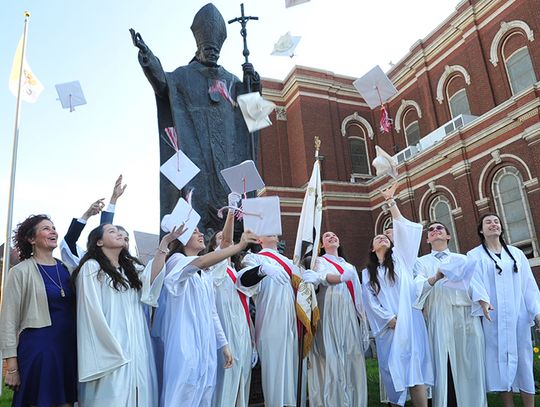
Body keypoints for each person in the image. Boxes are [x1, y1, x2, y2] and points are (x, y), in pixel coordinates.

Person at [130, 3, 261, 233]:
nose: (212, 55)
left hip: (229, 155)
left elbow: (254, 118)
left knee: (233, 202)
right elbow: (162, 83)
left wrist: (254, 85)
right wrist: (147, 56)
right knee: (196, 198)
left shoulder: (232, 80)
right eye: (208, 50)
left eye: (216, 52)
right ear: (198, 49)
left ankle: (237, 248)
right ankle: (195, 247)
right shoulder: (183, 76)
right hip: (195, 150)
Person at [72, 223, 182, 406]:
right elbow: (91, 310)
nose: (119, 234)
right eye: (112, 231)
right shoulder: (92, 267)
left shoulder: (130, 268)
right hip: (111, 345)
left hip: (138, 342)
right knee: (112, 395)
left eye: (121, 232)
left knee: (141, 393)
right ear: (98, 242)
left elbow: (152, 280)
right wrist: (109, 349)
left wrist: (165, 243)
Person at [154, 226, 258, 406]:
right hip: (184, 341)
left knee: (205, 392)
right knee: (182, 392)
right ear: (181, 239)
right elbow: (202, 261)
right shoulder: (176, 262)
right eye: (195, 231)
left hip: (206, 343)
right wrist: (240, 245)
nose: (201, 234)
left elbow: (212, 313)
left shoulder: (205, 276)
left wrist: (223, 344)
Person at [361, 182, 433, 407]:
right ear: (372, 249)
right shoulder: (367, 273)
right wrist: (388, 319)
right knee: (393, 372)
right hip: (390, 327)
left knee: (415, 370)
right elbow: (370, 301)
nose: (382, 238)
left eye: (385, 237)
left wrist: (391, 202)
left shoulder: (402, 260)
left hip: (410, 323)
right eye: (377, 238)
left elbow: (404, 228)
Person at [0, 215, 77, 407]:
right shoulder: (19, 272)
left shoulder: (67, 269)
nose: (53, 231)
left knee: (66, 403)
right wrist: (11, 367)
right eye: (46, 228)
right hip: (38, 350)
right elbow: (8, 320)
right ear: (31, 239)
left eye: (53, 227)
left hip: (67, 348)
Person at [467, 213, 540, 407]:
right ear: (481, 230)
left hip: (518, 317)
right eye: (488, 222)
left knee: (524, 361)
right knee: (499, 363)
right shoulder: (474, 256)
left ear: (501, 227)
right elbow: (473, 282)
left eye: (496, 221)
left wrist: (537, 312)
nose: (493, 224)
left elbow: (529, 286)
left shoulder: (516, 254)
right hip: (494, 318)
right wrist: (482, 300)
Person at [413, 221, 489, 407]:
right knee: (443, 364)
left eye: (440, 228)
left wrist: (484, 302)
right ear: (427, 239)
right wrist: (436, 277)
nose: (435, 231)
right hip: (439, 316)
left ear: (448, 236)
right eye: (430, 230)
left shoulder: (462, 259)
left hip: (465, 316)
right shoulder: (421, 262)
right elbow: (417, 288)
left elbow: (476, 284)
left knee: (470, 363)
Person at [301, 231, 369, 407]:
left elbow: (359, 297)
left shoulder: (350, 266)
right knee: (331, 357)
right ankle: (333, 401)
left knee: (351, 357)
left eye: (334, 235)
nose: (332, 237)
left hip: (348, 315)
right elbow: (324, 278)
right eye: (327, 236)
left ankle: (354, 401)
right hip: (329, 313)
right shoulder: (319, 261)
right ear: (322, 245)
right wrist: (339, 278)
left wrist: (362, 322)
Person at [238, 234, 302, 407]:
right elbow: (243, 280)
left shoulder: (290, 262)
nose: (271, 232)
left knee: (292, 367)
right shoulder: (255, 257)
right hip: (270, 317)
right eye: (266, 231)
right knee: (274, 367)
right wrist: (261, 269)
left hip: (291, 318)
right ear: (259, 240)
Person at [207, 209, 256, 407]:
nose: (224, 240)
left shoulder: (235, 270)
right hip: (225, 327)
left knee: (242, 378)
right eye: (219, 238)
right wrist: (231, 213)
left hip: (242, 327)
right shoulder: (215, 267)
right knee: (227, 380)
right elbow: (226, 243)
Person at [61, 175, 127, 269]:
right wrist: (87, 215)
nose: (121, 237)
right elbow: (68, 242)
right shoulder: (89, 265)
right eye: (113, 232)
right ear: (99, 242)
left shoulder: (128, 268)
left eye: (126, 239)